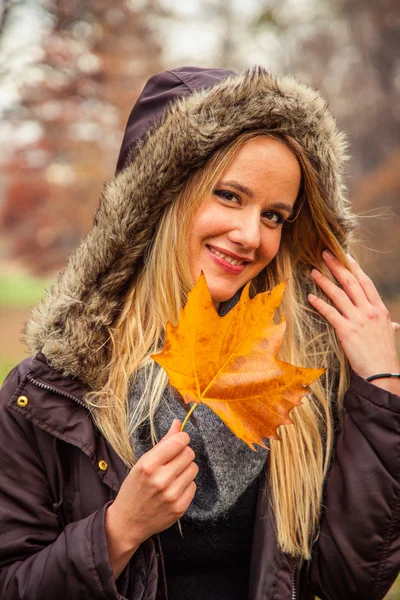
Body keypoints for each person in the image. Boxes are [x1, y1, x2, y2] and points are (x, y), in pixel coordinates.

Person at [0, 66, 399, 600]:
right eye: (230, 196)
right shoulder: (50, 393)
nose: (250, 235)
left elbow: (353, 582)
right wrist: (118, 532)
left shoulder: (303, 384)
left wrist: (383, 389)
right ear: (162, 195)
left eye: (276, 216)